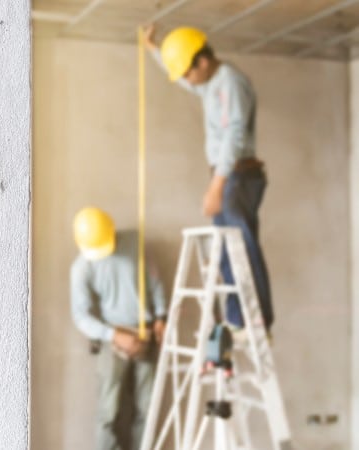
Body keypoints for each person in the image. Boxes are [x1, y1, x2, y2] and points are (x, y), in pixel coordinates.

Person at [142, 25, 273, 330]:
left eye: (187, 72)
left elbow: (234, 135)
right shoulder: (209, 82)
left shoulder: (230, 83)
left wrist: (217, 185)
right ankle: (236, 316)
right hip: (228, 176)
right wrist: (153, 50)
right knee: (228, 249)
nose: (187, 80)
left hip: (238, 176)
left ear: (202, 61)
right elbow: (187, 83)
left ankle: (256, 318)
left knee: (242, 245)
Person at [70, 207, 167, 450]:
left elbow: (154, 282)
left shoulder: (135, 242)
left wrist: (160, 317)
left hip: (145, 333)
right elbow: (81, 317)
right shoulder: (82, 267)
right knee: (108, 413)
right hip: (113, 340)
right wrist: (113, 335)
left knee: (148, 409)